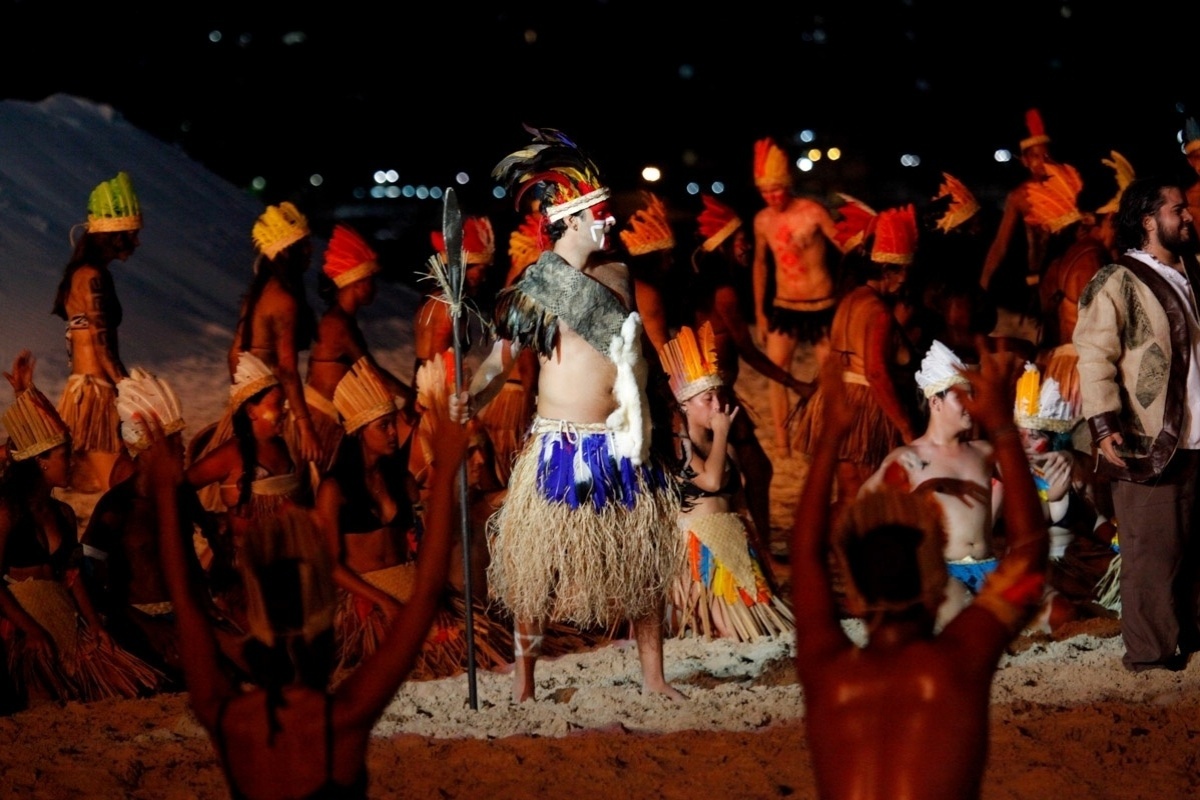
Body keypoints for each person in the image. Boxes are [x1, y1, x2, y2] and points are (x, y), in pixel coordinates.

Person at [147, 359, 468, 800]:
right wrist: (448, 470)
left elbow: (183, 598)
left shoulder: (224, 715)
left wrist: (166, 494)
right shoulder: (344, 718)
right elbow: (427, 593)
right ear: (323, 632)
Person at [465, 126, 684, 702]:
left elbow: (637, 359)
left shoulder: (619, 276)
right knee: (535, 574)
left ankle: (654, 677)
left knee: (641, 565)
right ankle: (524, 681)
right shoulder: (537, 286)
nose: (609, 225)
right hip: (562, 445)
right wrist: (471, 400)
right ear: (569, 222)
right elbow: (500, 362)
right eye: (600, 218)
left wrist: (666, 415)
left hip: (622, 442)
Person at [791, 344, 1047, 800]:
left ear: (854, 592)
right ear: (933, 585)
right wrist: (1004, 426)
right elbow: (1029, 557)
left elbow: (805, 556)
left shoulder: (827, 670)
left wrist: (831, 438)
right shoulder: (956, 664)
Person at [1073, 175, 1200, 672]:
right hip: (1149, 441)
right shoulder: (1116, 280)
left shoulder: (1192, 272)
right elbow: (1094, 355)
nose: (1187, 216)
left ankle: (1187, 640)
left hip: (1195, 439)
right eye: (1177, 209)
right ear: (1148, 221)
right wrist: (1104, 425)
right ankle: (1149, 657)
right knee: (1151, 555)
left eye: (1186, 208)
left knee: (1190, 550)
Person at [0, 353, 163, 705]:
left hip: (63, 618)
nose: (72, 462)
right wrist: (30, 631)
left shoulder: (64, 514)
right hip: (20, 624)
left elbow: (73, 576)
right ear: (41, 462)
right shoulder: (7, 512)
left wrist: (95, 625)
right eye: (64, 455)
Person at [690, 193, 812, 566]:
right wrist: (794, 383)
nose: (747, 247)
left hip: (710, 392)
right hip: (713, 395)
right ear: (723, 247)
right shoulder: (724, 294)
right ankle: (757, 545)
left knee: (746, 469)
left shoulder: (707, 288)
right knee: (756, 468)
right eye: (740, 241)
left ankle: (754, 543)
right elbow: (748, 351)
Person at [659, 325, 793, 640]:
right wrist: (720, 433)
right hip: (699, 548)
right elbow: (711, 479)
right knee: (731, 629)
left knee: (762, 624)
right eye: (708, 399)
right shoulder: (680, 446)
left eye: (719, 396)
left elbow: (739, 500)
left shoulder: (727, 448)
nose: (718, 406)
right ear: (685, 405)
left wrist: (756, 544)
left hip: (733, 542)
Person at [80, 368, 215, 681]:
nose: (182, 451)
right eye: (174, 444)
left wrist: (205, 609)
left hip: (185, 615)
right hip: (138, 621)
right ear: (150, 452)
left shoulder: (180, 498)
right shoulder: (116, 509)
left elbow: (191, 564)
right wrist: (148, 626)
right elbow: (89, 582)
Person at [860, 340, 1002, 628]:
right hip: (942, 572)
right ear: (935, 402)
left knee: (1052, 609)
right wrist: (923, 489)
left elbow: (1029, 473)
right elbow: (863, 507)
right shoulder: (910, 457)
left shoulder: (985, 451)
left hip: (989, 566)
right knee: (959, 609)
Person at [795, 205, 920, 524]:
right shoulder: (878, 312)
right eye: (903, 271)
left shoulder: (849, 301)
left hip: (836, 400)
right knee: (867, 494)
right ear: (889, 269)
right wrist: (905, 426)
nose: (905, 280)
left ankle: (832, 553)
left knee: (848, 493)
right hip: (866, 405)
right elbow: (876, 373)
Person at [186, 352, 309, 615]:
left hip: (286, 561)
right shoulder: (232, 453)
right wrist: (208, 521)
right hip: (243, 568)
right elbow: (180, 488)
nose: (286, 410)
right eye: (278, 404)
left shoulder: (283, 447)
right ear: (252, 411)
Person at [212, 202, 321, 474]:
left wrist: (243, 399)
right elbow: (286, 368)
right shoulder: (284, 300)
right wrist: (304, 425)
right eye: (303, 246)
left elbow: (234, 352)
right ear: (288, 253)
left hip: (252, 403)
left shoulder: (258, 294)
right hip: (269, 407)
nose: (310, 252)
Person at [51, 171, 141, 492]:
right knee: (120, 487)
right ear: (115, 234)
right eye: (132, 233)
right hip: (95, 394)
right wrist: (128, 389)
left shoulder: (87, 273)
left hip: (90, 390)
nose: (137, 241)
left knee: (119, 485)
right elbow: (102, 346)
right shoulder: (91, 277)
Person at [751, 137, 841, 455]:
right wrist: (761, 313)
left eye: (777, 190)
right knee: (777, 371)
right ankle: (782, 440)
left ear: (788, 185)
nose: (772, 197)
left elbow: (843, 246)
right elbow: (760, 265)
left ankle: (833, 430)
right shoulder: (762, 220)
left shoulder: (813, 212)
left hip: (822, 304)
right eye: (766, 192)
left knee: (831, 372)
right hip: (784, 306)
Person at [307, 223, 414, 476]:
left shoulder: (341, 319)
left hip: (331, 417)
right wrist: (409, 396)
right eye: (371, 281)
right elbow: (369, 370)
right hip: (322, 418)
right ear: (356, 283)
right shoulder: (338, 323)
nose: (375, 289)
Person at [979, 108, 1082, 320]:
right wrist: (984, 283)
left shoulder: (1069, 186)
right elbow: (1001, 244)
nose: (1042, 162)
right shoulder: (1019, 196)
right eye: (1035, 156)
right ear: (1024, 161)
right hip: (1037, 277)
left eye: (1046, 155)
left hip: (1075, 268)